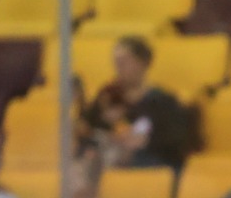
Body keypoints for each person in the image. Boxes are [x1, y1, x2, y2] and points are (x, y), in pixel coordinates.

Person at [83, 36, 193, 171]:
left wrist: (146, 141)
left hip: (150, 160)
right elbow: (88, 127)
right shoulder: (108, 95)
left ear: (143, 63)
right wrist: (108, 128)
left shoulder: (162, 100)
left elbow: (177, 140)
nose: (118, 67)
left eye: (124, 62)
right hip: (111, 157)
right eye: (116, 62)